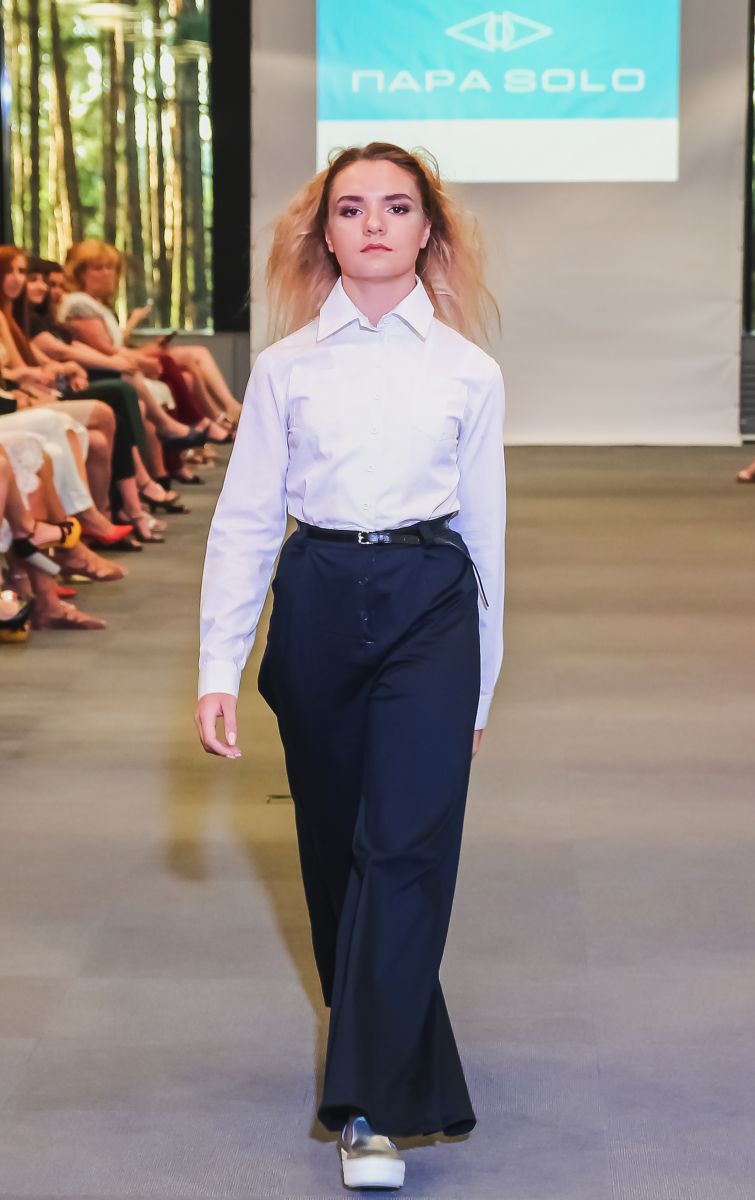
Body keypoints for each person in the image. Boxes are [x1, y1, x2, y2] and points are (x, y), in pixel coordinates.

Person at [195, 142, 506, 1192]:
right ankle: (389, 1050)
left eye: (397, 206)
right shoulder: (285, 369)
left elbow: (485, 533)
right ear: (324, 233)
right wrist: (217, 664)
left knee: (404, 848)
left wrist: (482, 684)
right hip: (319, 601)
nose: (374, 223)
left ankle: (366, 1105)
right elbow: (245, 522)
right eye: (351, 207)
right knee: (338, 857)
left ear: (428, 231)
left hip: (430, 603)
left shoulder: (467, 372)